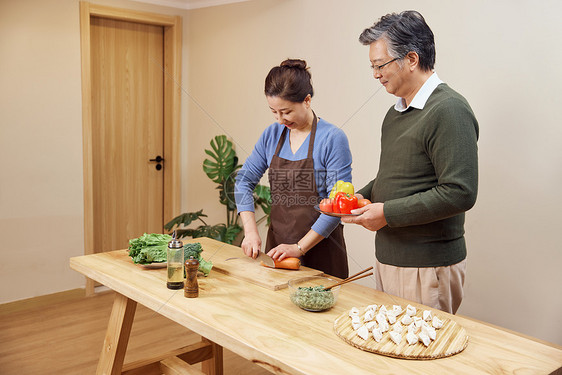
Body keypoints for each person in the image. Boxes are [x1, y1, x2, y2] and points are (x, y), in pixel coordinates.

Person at [341, 11, 479, 314]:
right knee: (390, 355)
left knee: (421, 358)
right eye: (373, 66)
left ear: (412, 59)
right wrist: (362, 196)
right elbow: (395, 176)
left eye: (380, 65)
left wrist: (387, 213)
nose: (376, 74)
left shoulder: (449, 110)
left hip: (426, 265)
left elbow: (460, 191)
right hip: (389, 259)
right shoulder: (395, 114)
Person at [235, 59, 352, 279]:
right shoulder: (271, 135)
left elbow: (337, 206)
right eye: (273, 112)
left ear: (307, 101)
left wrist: (299, 248)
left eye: (286, 112)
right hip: (278, 252)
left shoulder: (332, 139)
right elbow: (243, 181)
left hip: (322, 252)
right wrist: (250, 233)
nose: (280, 120)